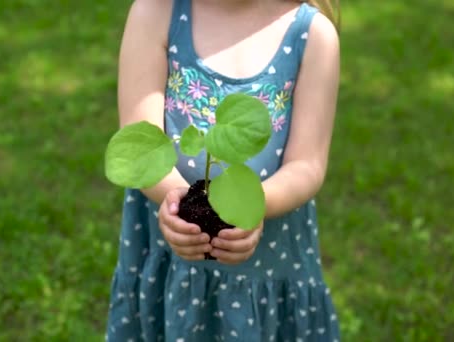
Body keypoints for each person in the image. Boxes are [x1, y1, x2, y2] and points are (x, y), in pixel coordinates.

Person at [106, 0, 341, 340]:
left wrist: (252, 206)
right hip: (171, 254)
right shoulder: (157, 12)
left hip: (267, 261)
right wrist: (176, 202)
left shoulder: (312, 35)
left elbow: (307, 164)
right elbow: (139, 144)